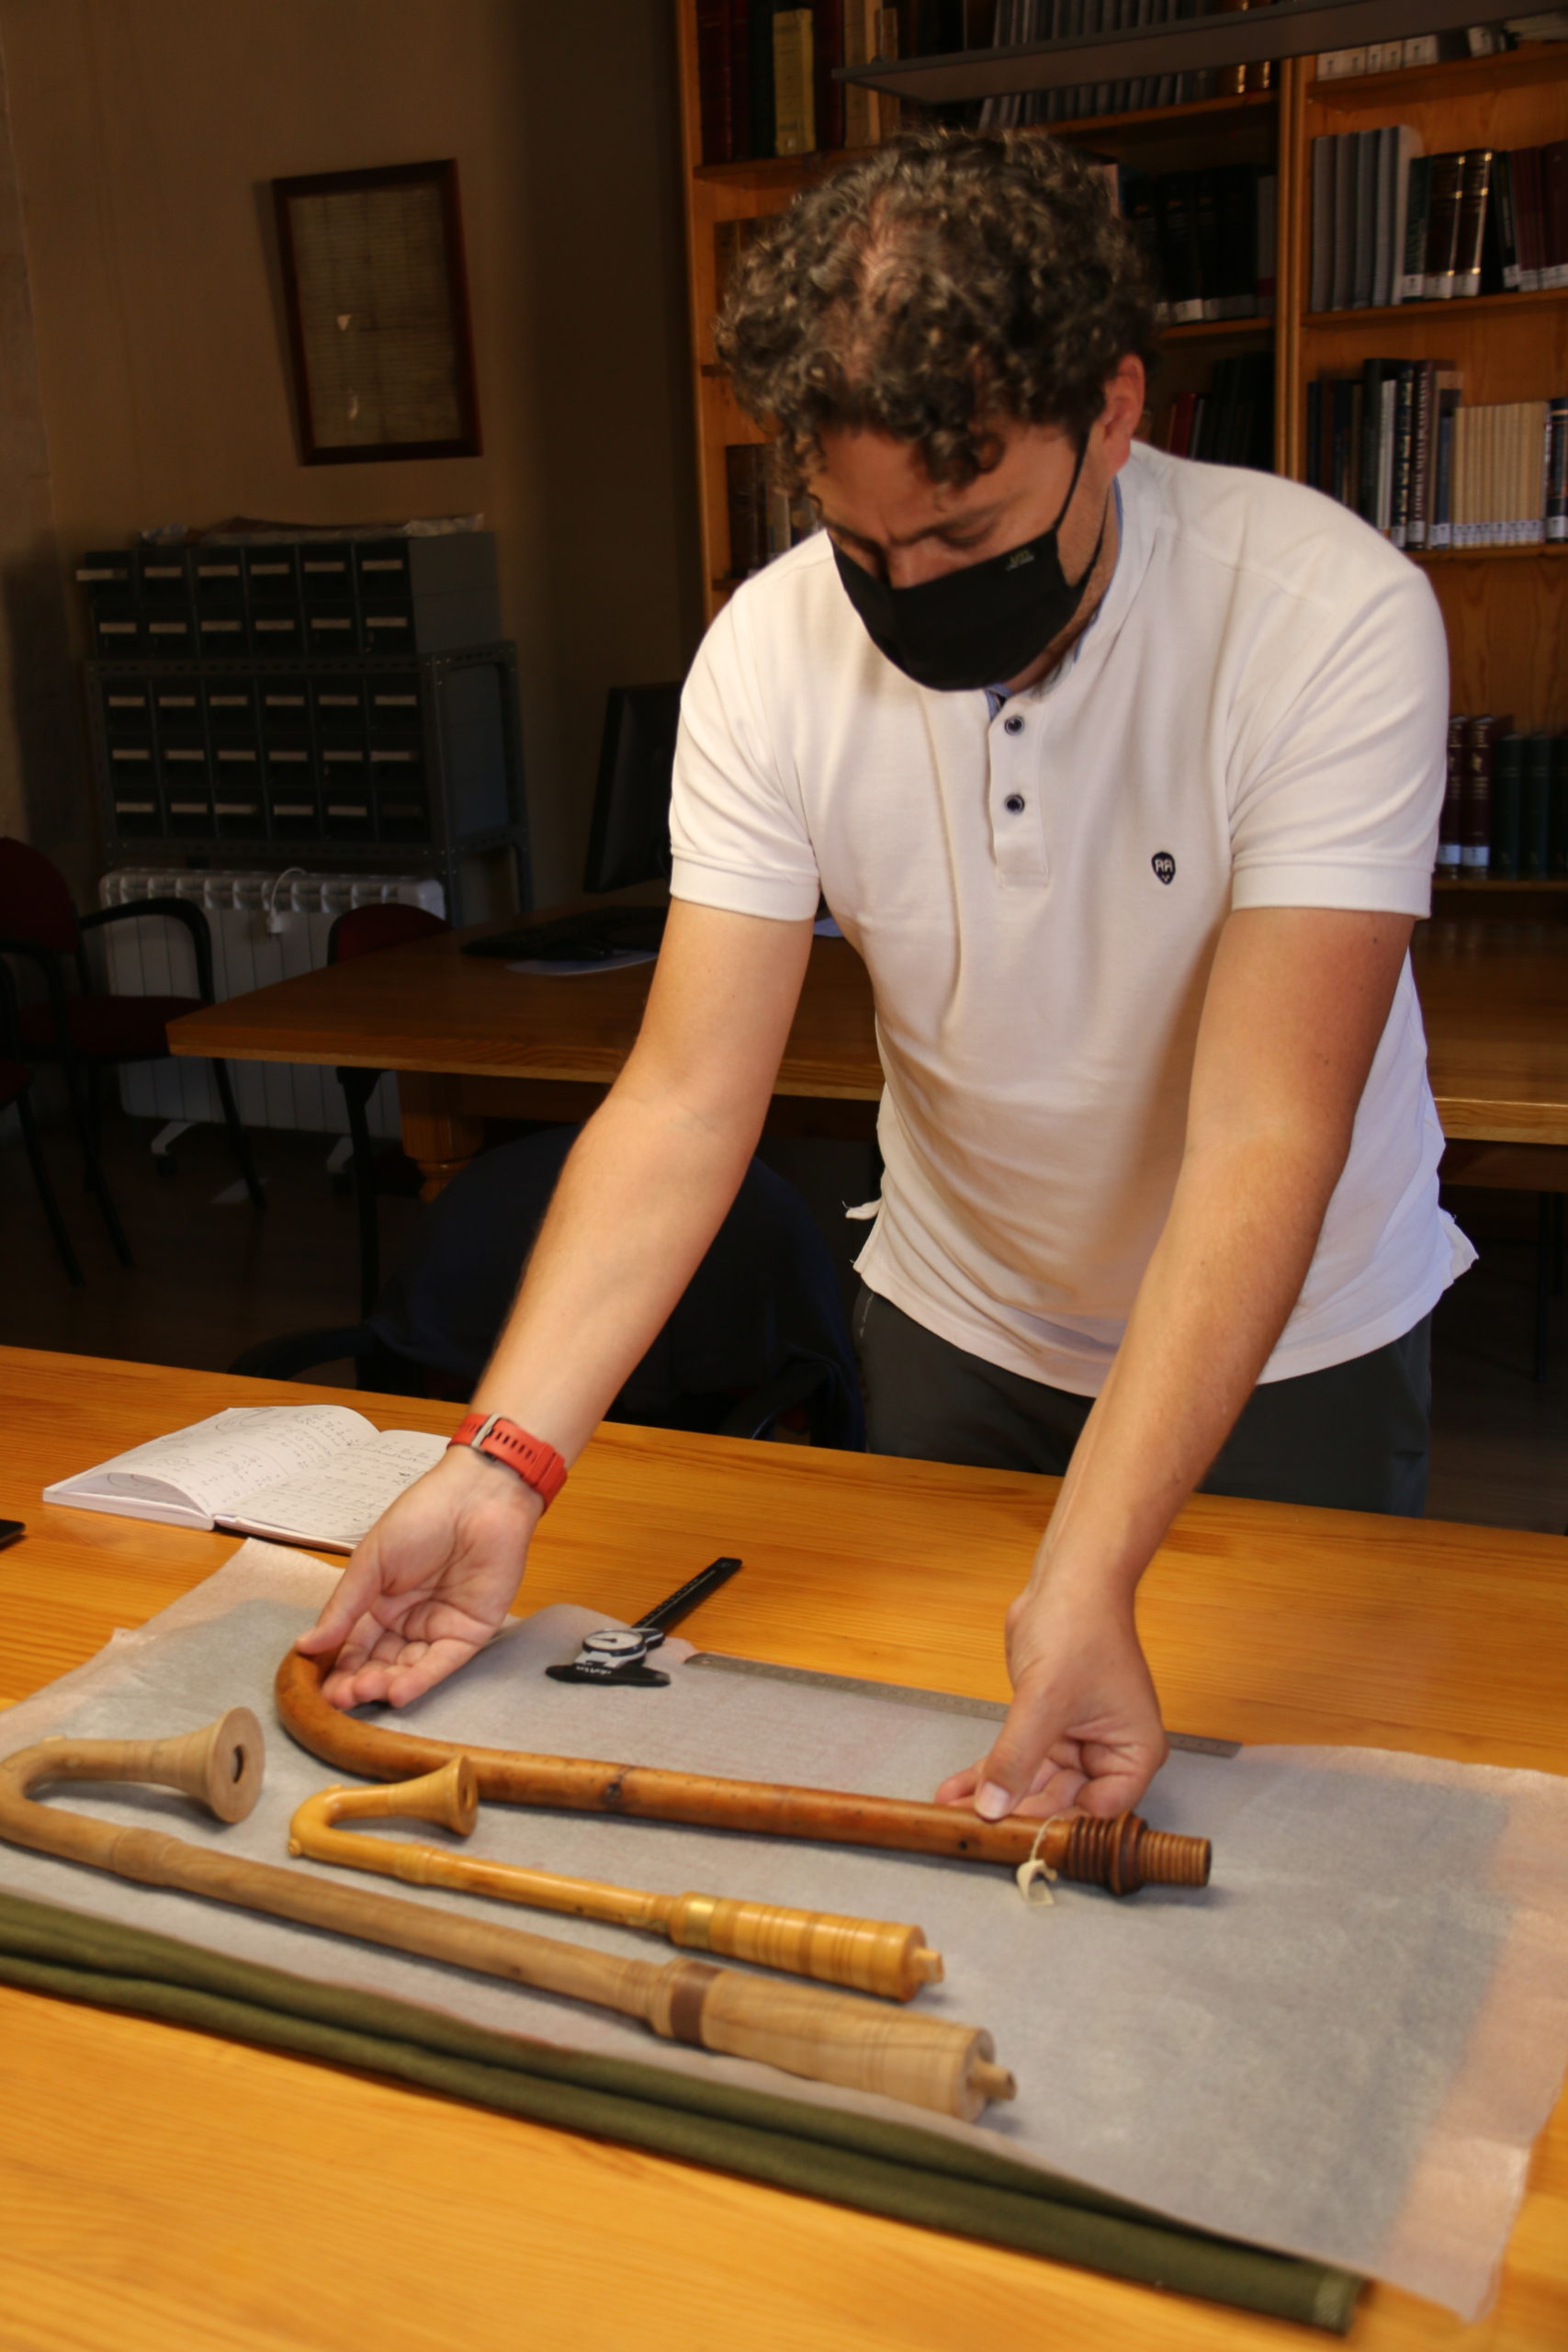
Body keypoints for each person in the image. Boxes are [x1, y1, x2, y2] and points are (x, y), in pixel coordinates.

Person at [299, 129, 1471, 1829]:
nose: (908, 596)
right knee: (941, 1791)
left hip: (1289, 1340)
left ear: (1115, 415)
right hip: (957, 1316)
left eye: (967, 533)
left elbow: (1265, 1133)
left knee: (1283, 1824)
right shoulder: (770, 655)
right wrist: (501, 1465)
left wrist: (1090, 1568)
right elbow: (686, 1104)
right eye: (860, 543)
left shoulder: (1325, 618)